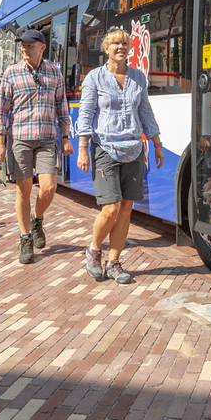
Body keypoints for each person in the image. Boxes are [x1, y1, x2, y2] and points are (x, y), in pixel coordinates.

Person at [76, 28, 163, 284]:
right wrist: (82, 149)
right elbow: (86, 113)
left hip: (134, 149)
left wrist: (157, 143)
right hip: (104, 147)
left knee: (126, 209)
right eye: (115, 44)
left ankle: (113, 262)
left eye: (124, 43)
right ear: (106, 49)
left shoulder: (138, 77)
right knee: (111, 208)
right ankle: (94, 250)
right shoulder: (94, 78)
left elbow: (145, 112)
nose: (120, 47)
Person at [0, 28, 74, 264]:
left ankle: (37, 218)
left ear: (42, 48)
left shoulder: (54, 73)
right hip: (19, 138)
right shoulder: (12, 73)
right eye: (23, 45)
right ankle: (25, 237)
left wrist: (66, 137)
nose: (24, 49)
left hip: (47, 137)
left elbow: (62, 107)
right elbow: (1, 110)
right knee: (24, 189)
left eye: (29, 45)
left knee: (49, 187)